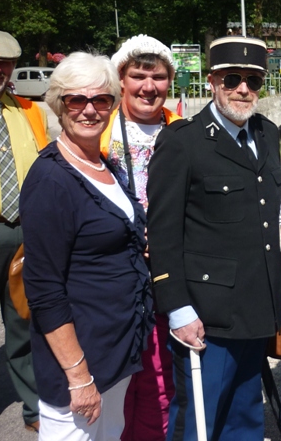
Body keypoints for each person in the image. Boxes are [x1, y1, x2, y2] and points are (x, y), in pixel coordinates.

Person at [147, 37, 281, 441]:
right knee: (199, 423)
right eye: (232, 79)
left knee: (244, 420)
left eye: (253, 81)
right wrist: (178, 309)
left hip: (256, 308)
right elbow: (164, 232)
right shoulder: (182, 141)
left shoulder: (266, 133)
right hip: (206, 316)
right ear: (212, 81)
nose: (243, 89)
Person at [20, 52, 153, 439]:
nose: (90, 110)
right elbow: (43, 289)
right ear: (58, 104)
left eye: (101, 99)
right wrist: (78, 376)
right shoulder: (51, 180)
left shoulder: (104, 165)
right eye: (77, 99)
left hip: (115, 351)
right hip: (80, 363)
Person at [102, 35, 180, 441]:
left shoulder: (182, 131)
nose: (148, 87)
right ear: (121, 79)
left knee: (159, 376)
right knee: (115, 377)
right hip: (115, 271)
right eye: (138, 76)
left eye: (159, 77)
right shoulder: (98, 128)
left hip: (166, 270)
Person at [0, 29, 44, 440]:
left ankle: (35, 405)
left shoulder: (28, 111)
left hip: (25, 235)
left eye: (6, 63)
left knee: (25, 324)